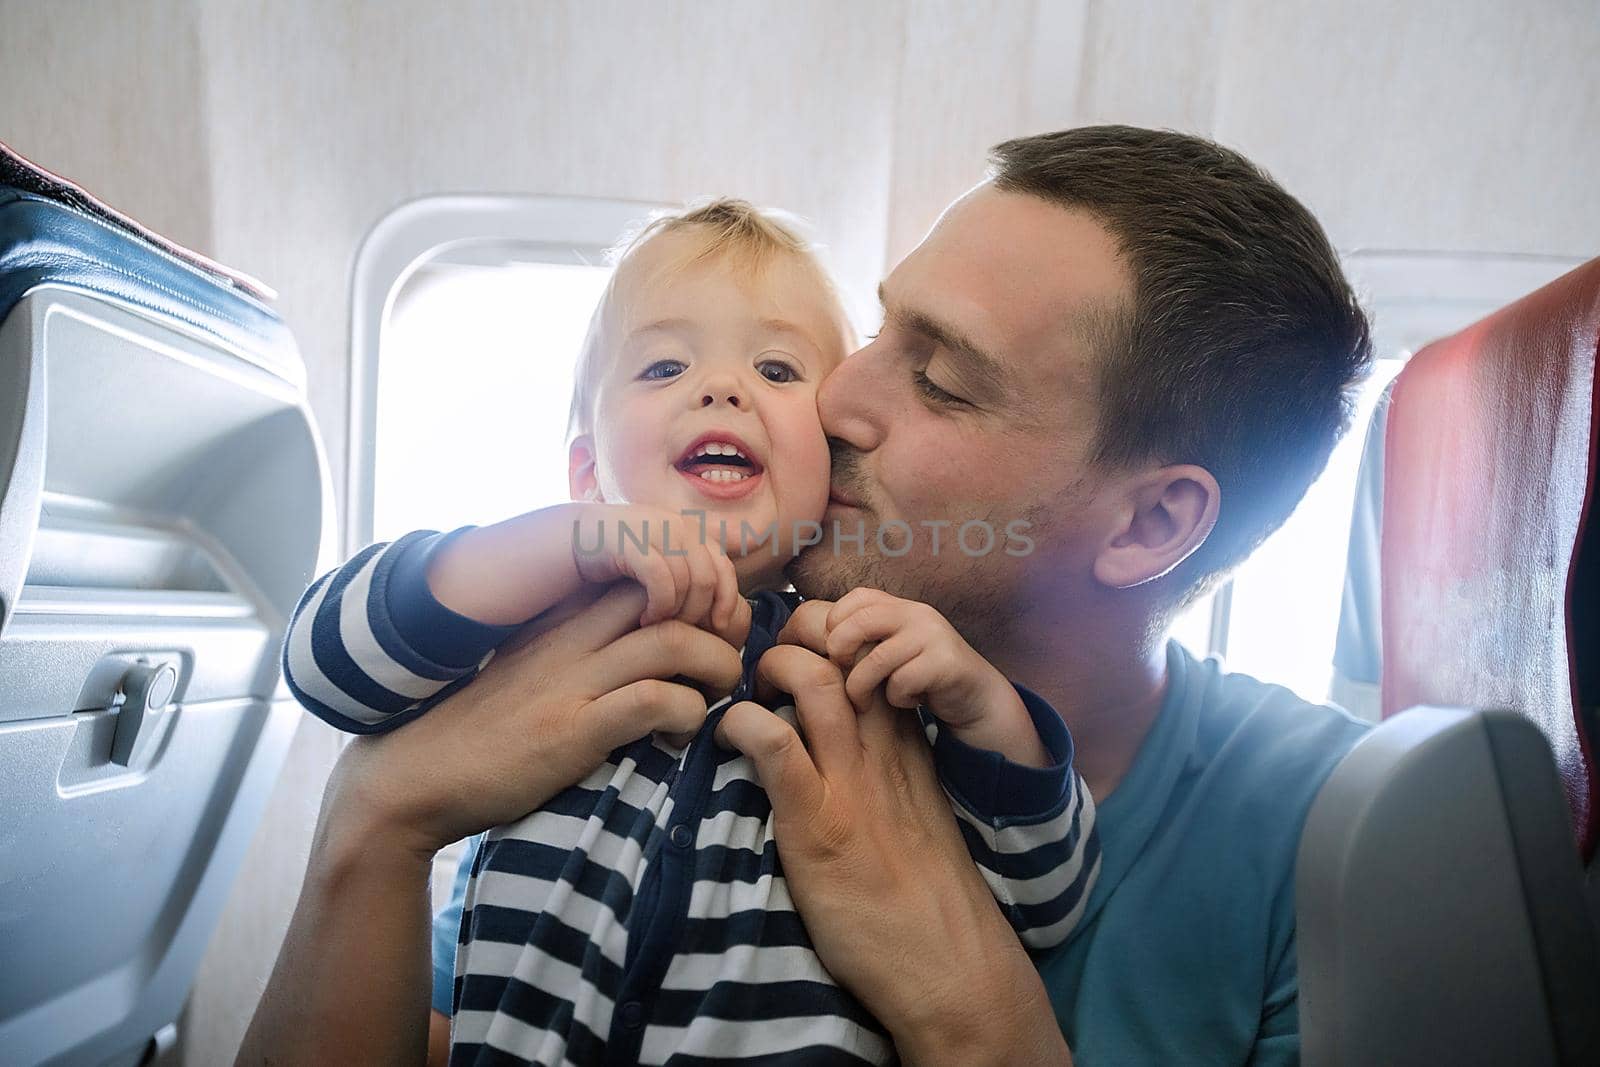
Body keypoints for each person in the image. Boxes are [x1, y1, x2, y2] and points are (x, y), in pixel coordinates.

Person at [239, 125, 1374, 1067]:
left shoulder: (1333, 841)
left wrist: (971, 1007)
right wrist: (375, 820)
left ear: (1149, 524)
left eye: (937, 378)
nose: (832, 400)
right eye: (877, 331)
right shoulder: (607, 678)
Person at [279, 198, 1099, 1064]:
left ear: (829, 476)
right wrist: (547, 539)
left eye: (778, 371)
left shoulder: (864, 662)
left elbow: (1046, 896)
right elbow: (323, 667)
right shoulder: (521, 633)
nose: (722, 386)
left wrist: (985, 710)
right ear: (588, 471)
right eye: (663, 365)